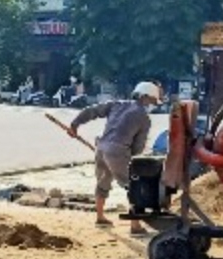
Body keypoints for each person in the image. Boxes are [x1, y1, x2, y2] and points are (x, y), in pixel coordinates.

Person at [65, 81, 160, 235]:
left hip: (101, 148)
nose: (154, 105)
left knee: (102, 182)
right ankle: (135, 226)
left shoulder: (117, 104)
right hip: (118, 151)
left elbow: (92, 111)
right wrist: (128, 157)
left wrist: (75, 124)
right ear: (144, 97)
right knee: (133, 185)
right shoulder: (144, 117)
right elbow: (138, 147)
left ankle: (100, 217)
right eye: (153, 101)